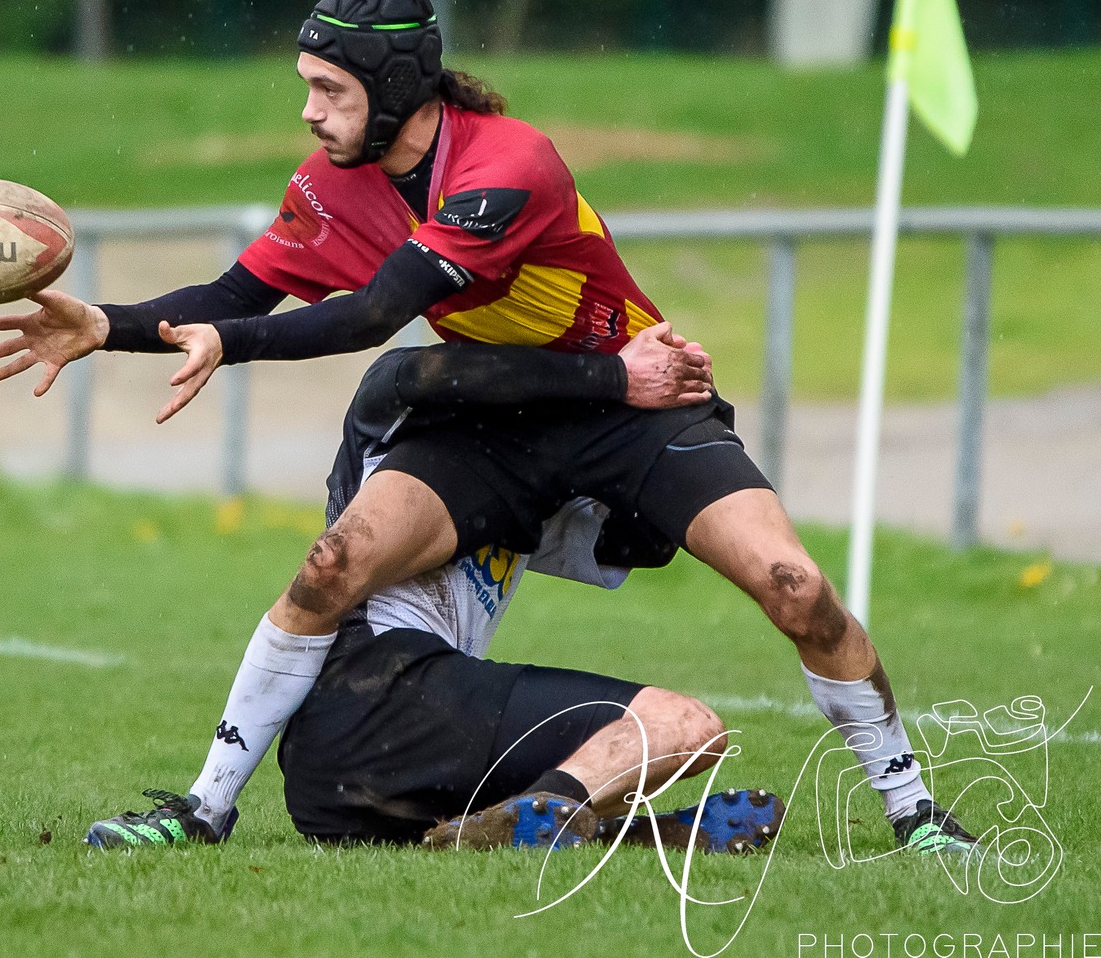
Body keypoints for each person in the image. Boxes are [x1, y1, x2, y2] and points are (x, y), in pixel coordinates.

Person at [0, 0, 974, 856]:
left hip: (625, 398)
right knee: (330, 565)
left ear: (396, 89)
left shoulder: (506, 163)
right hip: (492, 413)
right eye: (305, 86)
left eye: (327, 89)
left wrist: (223, 344)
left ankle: (913, 811)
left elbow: (373, 315)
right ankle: (201, 808)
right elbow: (236, 294)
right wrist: (102, 324)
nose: (307, 112)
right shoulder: (332, 185)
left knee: (795, 587)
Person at [92, 342, 782, 853]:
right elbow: (416, 373)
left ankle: (597, 828)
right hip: (380, 692)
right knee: (687, 725)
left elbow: (650, 535)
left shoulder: (529, 488)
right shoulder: (411, 422)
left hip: (344, 782)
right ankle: (569, 816)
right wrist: (613, 375)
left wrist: (697, 401)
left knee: (631, 748)